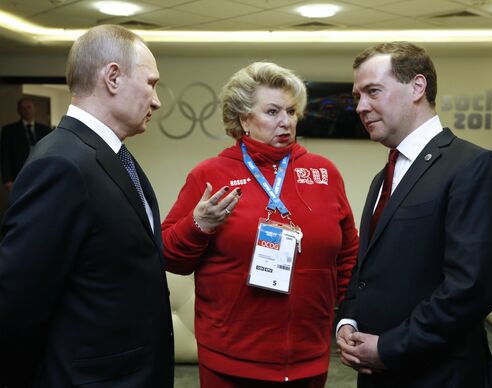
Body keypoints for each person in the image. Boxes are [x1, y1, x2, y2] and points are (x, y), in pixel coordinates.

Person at [162, 62, 359, 387]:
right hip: (231, 360)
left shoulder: (324, 173)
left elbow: (349, 254)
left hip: (309, 356)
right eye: (272, 112)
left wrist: (348, 315)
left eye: (292, 111)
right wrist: (198, 225)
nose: (287, 121)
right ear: (243, 119)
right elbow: (170, 254)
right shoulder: (210, 174)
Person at [0, 25, 174, 387]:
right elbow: (18, 304)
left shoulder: (107, 154)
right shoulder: (61, 163)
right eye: (151, 83)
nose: (156, 101)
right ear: (113, 77)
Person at [336, 41, 492, 388]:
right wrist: (349, 321)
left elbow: (471, 289)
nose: (360, 106)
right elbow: (366, 268)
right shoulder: (383, 177)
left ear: (418, 87)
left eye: (373, 91)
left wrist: (389, 347)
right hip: (376, 375)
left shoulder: (475, 167)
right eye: (357, 95)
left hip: (441, 377)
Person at [1, 97, 52, 191]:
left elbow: (50, 152)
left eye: (29, 107)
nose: (27, 110)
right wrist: (7, 180)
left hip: (41, 173)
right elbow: (5, 155)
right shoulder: (9, 130)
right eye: (23, 108)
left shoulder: (45, 129)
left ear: (34, 108)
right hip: (18, 174)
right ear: (18, 111)